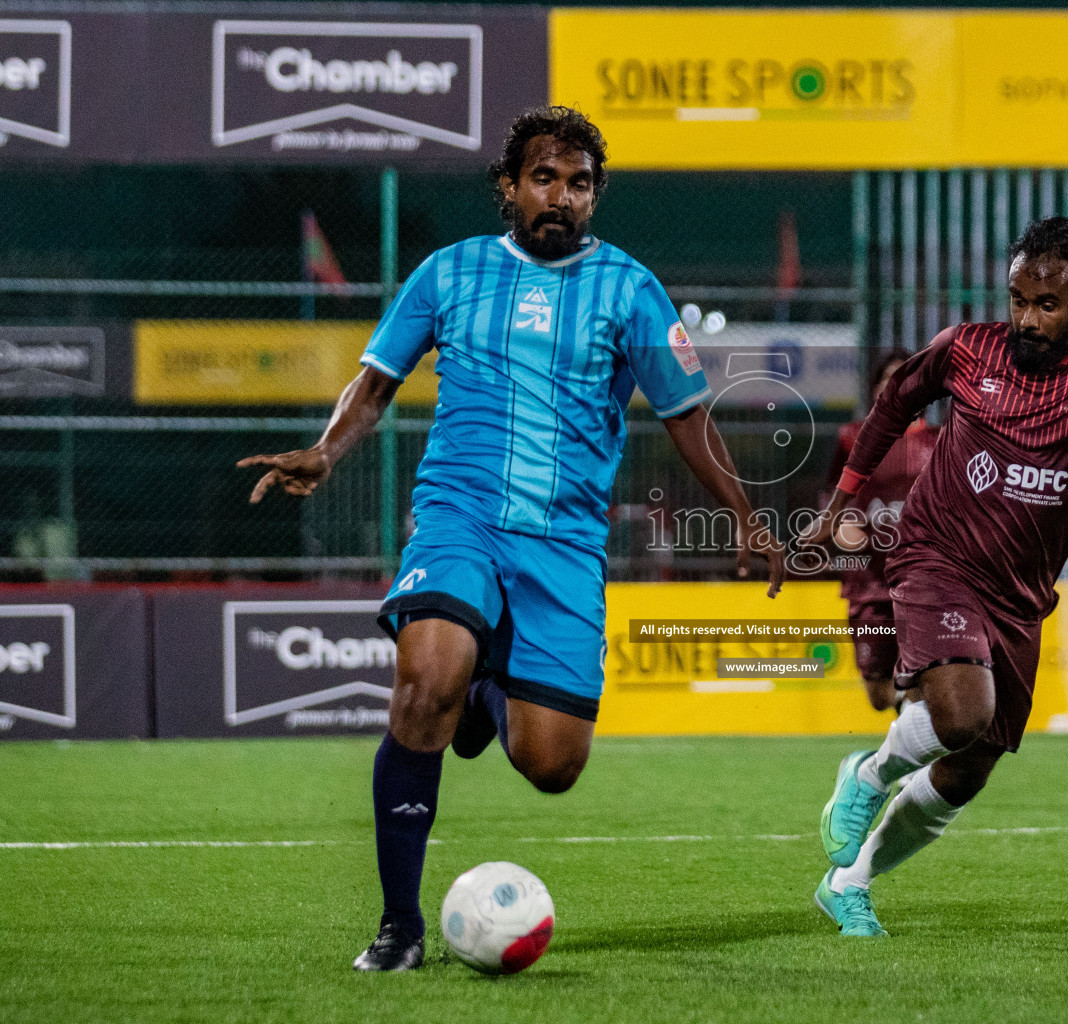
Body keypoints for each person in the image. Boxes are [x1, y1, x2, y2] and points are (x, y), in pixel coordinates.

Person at [238, 106, 784, 970]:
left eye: (579, 183)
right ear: (508, 186)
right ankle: (400, 925)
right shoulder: (450, 273)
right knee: (425, 686)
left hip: (563, 546)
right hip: (459, 516)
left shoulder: (631, 291)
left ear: (595, 196)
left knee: (552, 764)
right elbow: (374, 384)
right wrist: (325, 452)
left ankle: (490, 692)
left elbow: (686, 417)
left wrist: (748, 514)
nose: (560, 196)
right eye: (543, 178)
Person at [800, 217, 1068, 936]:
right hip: (938, 556)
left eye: (1045, 304)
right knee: (962, 714)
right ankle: (867, 774)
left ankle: (849, 881)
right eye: (1017, 298)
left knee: (967, 770)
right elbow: (895, 402)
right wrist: (839, 501)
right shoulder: (967, 347)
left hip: (1020, 595)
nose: (1025, 317)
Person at [821, 351, 940, 711]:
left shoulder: (941, 441)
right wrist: (840, 522)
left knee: (920, 678)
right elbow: (831, 494)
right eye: (885, 380)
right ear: (874, 390)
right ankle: (903, 706)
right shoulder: (852, 438)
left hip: (922, 581)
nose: (893, 387)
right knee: (878, 695)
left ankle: (912, 738)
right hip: (868, 583)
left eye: (902, 379)